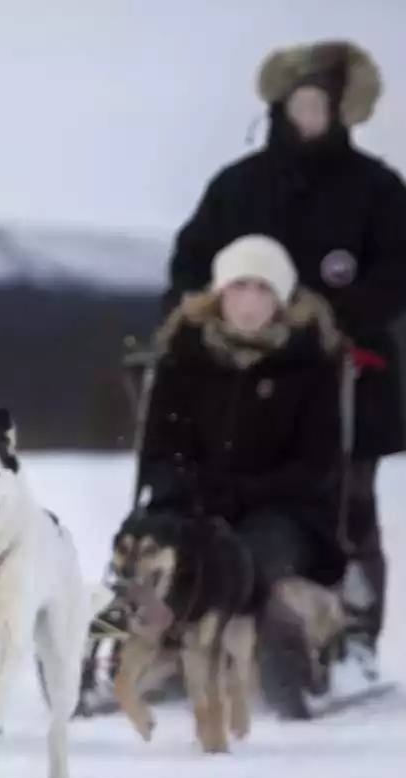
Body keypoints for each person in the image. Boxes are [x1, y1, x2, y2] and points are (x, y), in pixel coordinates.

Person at [162, 40, 406, 687]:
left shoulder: (376, 187)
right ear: (280, 108)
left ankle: (355, 638)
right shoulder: (238, 185)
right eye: (299, 104)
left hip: (349, 376)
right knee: (220, 502)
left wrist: (342, 318)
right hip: (238, 381)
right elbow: (189, 265)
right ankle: (200, 632)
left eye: (320, 106)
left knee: (350, 511)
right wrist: (194, 326)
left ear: (342, 113)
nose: (308, 115)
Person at [142, 235, 350, 679]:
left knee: (253, 561)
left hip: (285, 512)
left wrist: (244, 493)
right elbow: (159, 452)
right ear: (218, 294)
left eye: (264, 289)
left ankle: (304, 632)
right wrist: (189, 490)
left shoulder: (309, 366)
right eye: (239, 287)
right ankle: (137, 645)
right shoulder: (183, 359)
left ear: (282, 299)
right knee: (157, 554)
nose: (250, 302)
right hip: (193, 503)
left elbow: (316, 468)